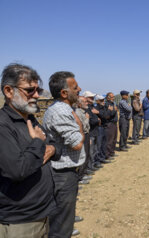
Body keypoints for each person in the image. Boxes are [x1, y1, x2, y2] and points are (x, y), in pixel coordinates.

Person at [0, 64, 58, 238]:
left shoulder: (30, 118)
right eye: (30, 90)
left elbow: (54, 144)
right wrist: (38, 143)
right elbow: (18, 170)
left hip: (40, 213)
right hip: (20, 222)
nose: (37, 95)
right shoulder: (3, 126)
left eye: (38, 89)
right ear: (9, 91)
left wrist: (53, 149)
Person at [43, 71, 85, 238]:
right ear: (64, 93)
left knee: (64, 218)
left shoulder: (64, 109)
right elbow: (77, 143)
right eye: (75, 87)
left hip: (66, 173)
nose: (79, 89)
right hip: (62, 174)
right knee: (61, 226)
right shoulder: (61, 112)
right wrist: (77, 118)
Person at [75, 96, 93, 184]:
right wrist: (87, 118)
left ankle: (83, 174)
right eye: (85, 102)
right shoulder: (78, 113)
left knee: (87, 154)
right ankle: (79, 177)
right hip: (82, 135)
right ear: (79, 104)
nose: (87, 103)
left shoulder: (83, 112)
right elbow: (82, 126)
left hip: (86, 134)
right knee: (83, 156)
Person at [94, 95, 111, 163]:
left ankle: (103, 157)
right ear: (97, 101)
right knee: (99, 144)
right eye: (101, 100)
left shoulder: (103, 107)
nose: (103, 102)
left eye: (103, 100)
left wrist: (100, 113)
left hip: (104, 126)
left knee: (104, 143)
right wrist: (102, 113)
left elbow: (107, 116)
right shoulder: (96, 108)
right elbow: (105, 115)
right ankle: (98, 160)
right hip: (99, 128)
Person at [104, 92, 118, 158]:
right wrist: (114, 110)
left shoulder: (113, 104)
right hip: (110, 123)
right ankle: (107, 154)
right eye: (111, 97)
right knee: (109, 140)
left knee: (114, 139)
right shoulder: (107, 104)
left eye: (113, 96)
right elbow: (110, 114)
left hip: (114, 123)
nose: (113, 98)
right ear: (108, 97)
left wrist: (114, 110)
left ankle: (112, 152)